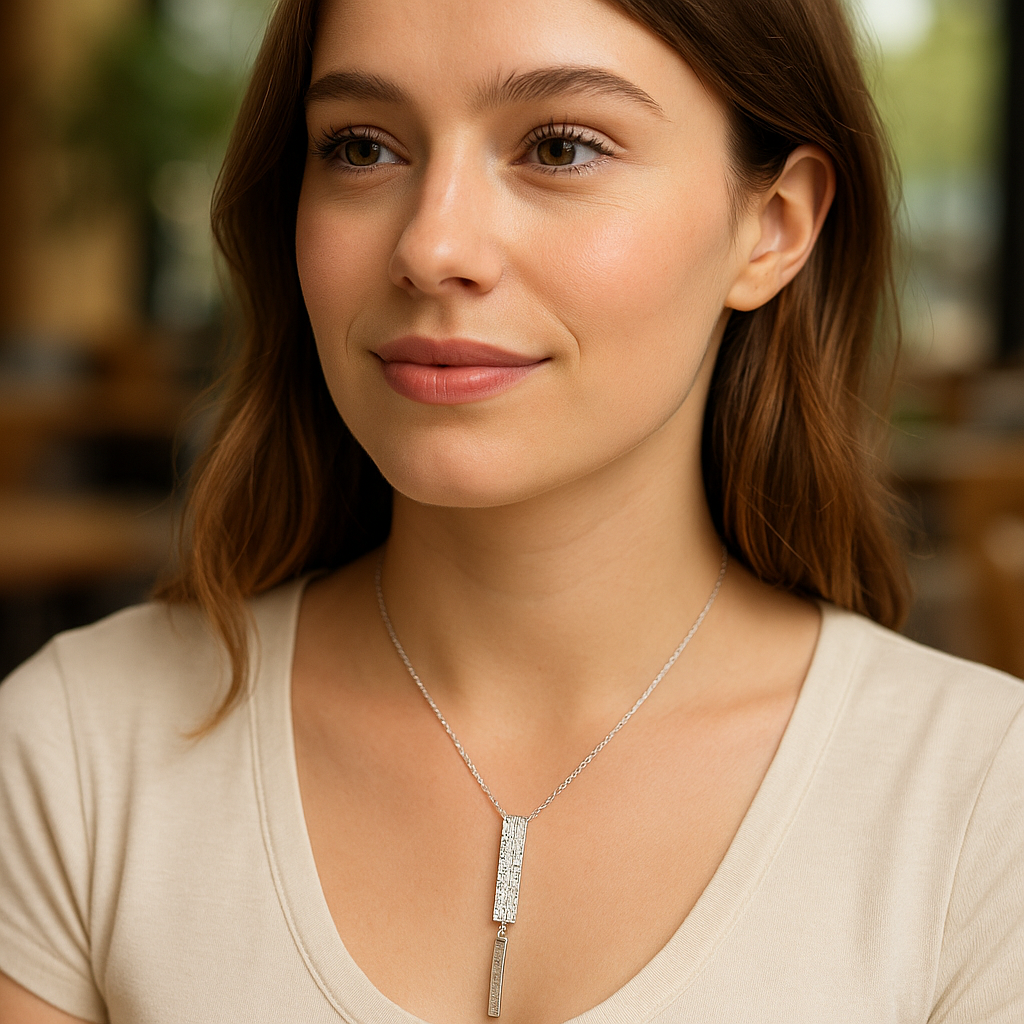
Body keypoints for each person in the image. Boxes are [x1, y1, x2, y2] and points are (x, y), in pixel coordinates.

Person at [1, 0, 1022, 1020]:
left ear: (774, 226)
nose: (432, 245)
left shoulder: (984, 809)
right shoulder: (78, 758)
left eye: (560, 147)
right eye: (361, 148)